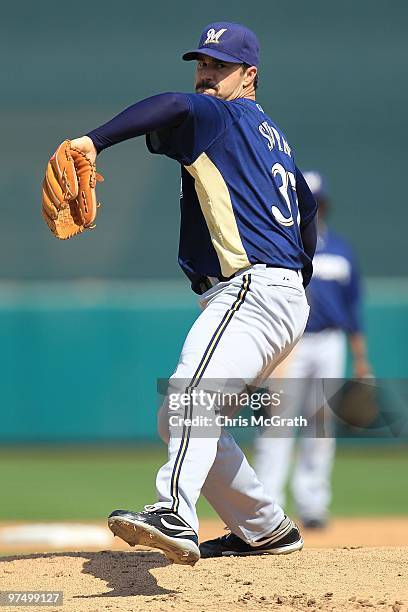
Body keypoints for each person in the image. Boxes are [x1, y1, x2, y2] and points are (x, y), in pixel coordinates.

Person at [66, 21, 317, 564]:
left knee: (190, 395)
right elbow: (307, 210)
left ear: (249, 76)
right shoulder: (271, 133)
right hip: (276, 290)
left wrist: (94, 140)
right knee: (177, 416)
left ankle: (173, 514)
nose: (206, 73)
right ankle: (265, 528)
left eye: (220, 66)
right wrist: (298, 287)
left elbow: (171, 106)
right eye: (203, 62)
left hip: (252, 289)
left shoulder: (219, 114)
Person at [254, 171, 372, 528]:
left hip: (330, 343)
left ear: (324, 206)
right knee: (276, 422)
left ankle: (313, 505)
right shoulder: (279, 244)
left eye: (316, 203)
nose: (312, 209)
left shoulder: (341, 250)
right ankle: (266, 507)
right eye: (306, 201)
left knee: (320, 425)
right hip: (291, 343)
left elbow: (353, 310)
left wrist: (361, 359)